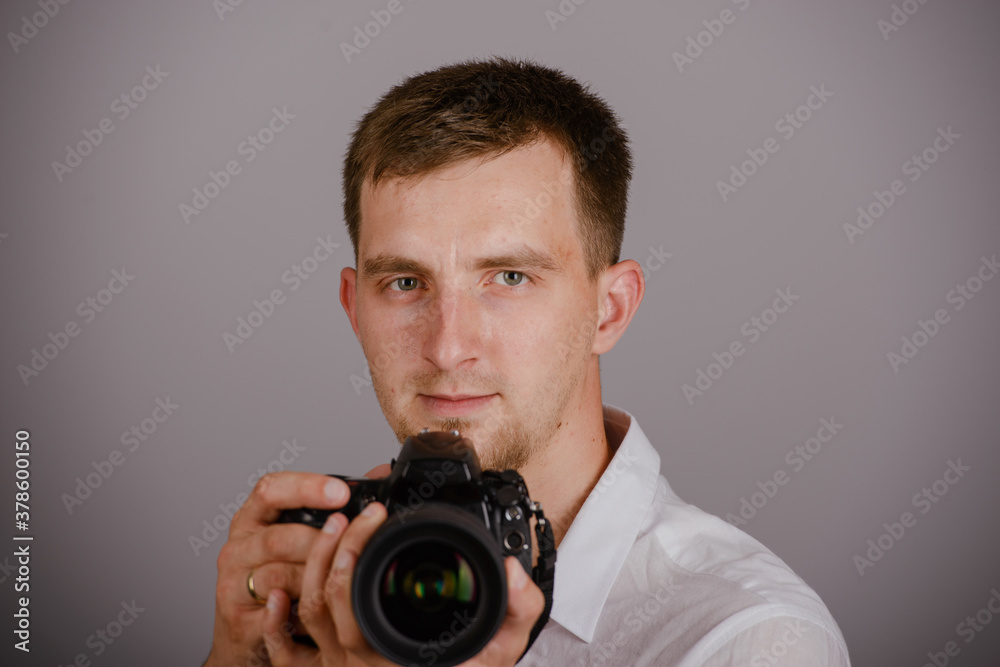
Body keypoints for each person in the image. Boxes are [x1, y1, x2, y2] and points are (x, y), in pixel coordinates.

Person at [203, 56, 851, 666]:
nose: (447, 347)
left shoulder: (748, 637)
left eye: (510, 277)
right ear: (354, 310)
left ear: (609, 310)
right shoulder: (327, 594)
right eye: (404, 283)